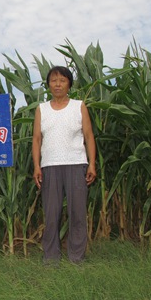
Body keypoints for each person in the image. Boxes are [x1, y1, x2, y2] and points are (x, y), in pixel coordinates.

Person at [32, 66, 97, 265]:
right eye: (53, 80)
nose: (58, 84)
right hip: (50, 167)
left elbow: (88, 136)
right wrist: (36, 166)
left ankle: (76, 258)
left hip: (76, 164)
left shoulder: (79, 106)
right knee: (51, 215)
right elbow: (36, 139)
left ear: (69, 83)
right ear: (48, 84)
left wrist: (92, 164)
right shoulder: (41, 109)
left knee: (77, 214)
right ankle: (51, 259)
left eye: (62, 80)